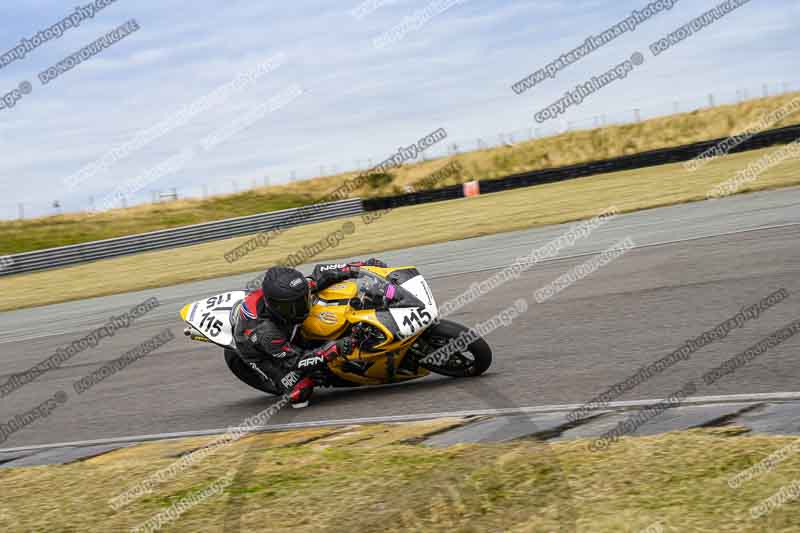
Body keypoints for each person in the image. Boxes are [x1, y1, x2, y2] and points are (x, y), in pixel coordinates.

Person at [232, 258, 387, 408]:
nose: (303, 306)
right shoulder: (267, 332)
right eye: (294, 306)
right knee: (301, 392)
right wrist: (333, 349)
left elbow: (322, 274)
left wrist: (361, 268)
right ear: (276, 307)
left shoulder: (291, 292)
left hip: (284, 326)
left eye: (303, 299)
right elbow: (295, 361)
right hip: (259, 353)